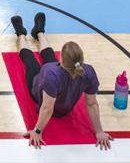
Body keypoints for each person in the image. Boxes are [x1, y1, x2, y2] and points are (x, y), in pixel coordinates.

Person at [10, 12, 112, 150]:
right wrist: (99, 131)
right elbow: (92, 103)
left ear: (61, 59)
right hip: (62, 102)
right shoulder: (88, 71)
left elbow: (47, 108)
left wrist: (37, 131)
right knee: (48, 57)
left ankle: (21, 34)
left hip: (41, 85)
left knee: (30, 60)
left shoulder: (50, 71)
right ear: (81, 59)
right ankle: (39, 32)